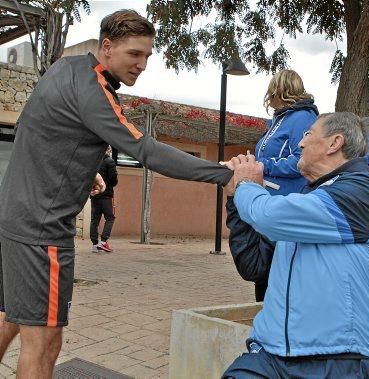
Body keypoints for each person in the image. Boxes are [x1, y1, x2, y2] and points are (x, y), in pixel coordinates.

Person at [0, 10, 232, 377]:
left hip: (13, 216)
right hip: (41, 230)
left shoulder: (64, 68)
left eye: (147, 57)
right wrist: (224, 174)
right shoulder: (95, 91)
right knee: (44, 342)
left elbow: (43, 125)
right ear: (107, 47)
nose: (142, 65)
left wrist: (80, 168)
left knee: (11, 318)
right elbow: (147, 151)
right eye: (134, 55)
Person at [222, 112, 369, 378]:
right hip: (271, 354)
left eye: (308, 134)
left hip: (336, 358)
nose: (300, 143)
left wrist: (245, 186)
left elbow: (267, 214)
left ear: (334, 143)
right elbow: (253, 265)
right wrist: (235, 201)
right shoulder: (306, 201)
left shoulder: (359, 191)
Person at [240, 69, 317, 301]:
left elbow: (300, 161)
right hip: (268, 203)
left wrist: (262, 166)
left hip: (285, 203)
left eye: (271, 93)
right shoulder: (279, 119)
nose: (268, 99)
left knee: (274, 274)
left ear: (281, 91)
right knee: (263, 272)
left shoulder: (303, 118)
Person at [90, 146, 118, 253]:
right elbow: (113, 180)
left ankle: (95, 244)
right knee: (110, 217)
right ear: (108, 151)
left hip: (94, 194)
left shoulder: (93, 161)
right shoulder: (109, 161)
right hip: (106, 195)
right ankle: (103, 242)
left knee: (95, 219)